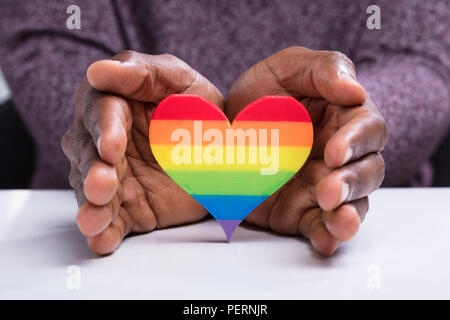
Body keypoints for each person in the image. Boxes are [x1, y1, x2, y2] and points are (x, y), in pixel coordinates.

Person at [0, 0, 449, 256]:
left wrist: (338, 120)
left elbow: (424, 56)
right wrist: (116, 122)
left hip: (372, 234)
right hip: (118, 223)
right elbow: (47, 41)